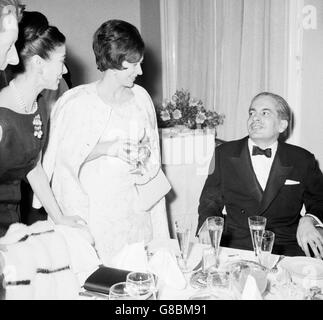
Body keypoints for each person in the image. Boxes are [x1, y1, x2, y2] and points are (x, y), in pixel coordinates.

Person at [33, 19, 170, 265]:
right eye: (134, 64)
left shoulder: (141, 98)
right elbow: (63, 164)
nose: (140, 72)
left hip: (136, 212)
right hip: (96, 216)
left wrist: (144, 159)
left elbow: (154, 156)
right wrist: (109, 148)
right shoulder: (77, 102)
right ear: (114, 61)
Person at [197, 92, 323, 258]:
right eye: (252, 112)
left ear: (282, 125)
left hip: (286, 247)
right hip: (236, 245)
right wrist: (209, 221)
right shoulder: (223, 154)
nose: (255, 118)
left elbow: (319, 201)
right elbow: (210, 199)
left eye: (265, 113)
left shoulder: (302, 159)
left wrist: (309, 219)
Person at [0, 9, 88, 236]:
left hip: (14, 224)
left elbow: (33, 166)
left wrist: (59, 217)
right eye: (61, 61)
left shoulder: (38, 107)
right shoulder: (2, 114)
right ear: (39, 62)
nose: (66, 69)